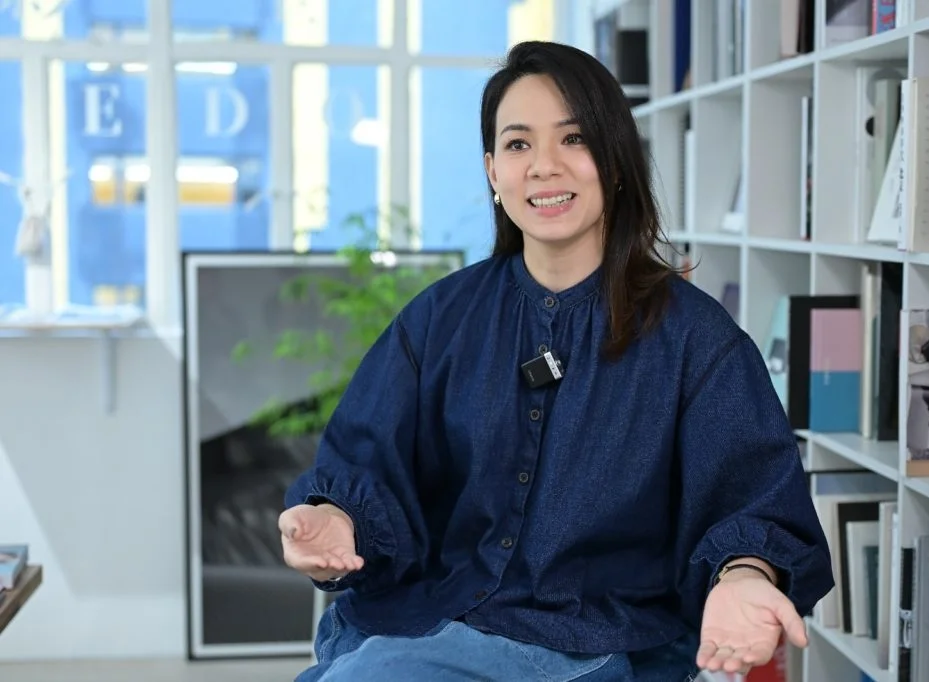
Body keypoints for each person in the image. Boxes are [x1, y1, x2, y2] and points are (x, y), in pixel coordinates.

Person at [279, 40, 834, 681]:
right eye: (519, 144)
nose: (544, 166)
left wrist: (744, 576)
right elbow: (367, 461)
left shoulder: (697, 340)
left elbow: (751, 499)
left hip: (593, 644)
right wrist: (336, 519)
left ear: (616, 161)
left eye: (573, 139)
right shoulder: (438, 319)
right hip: (420, 622)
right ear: (493, 171)